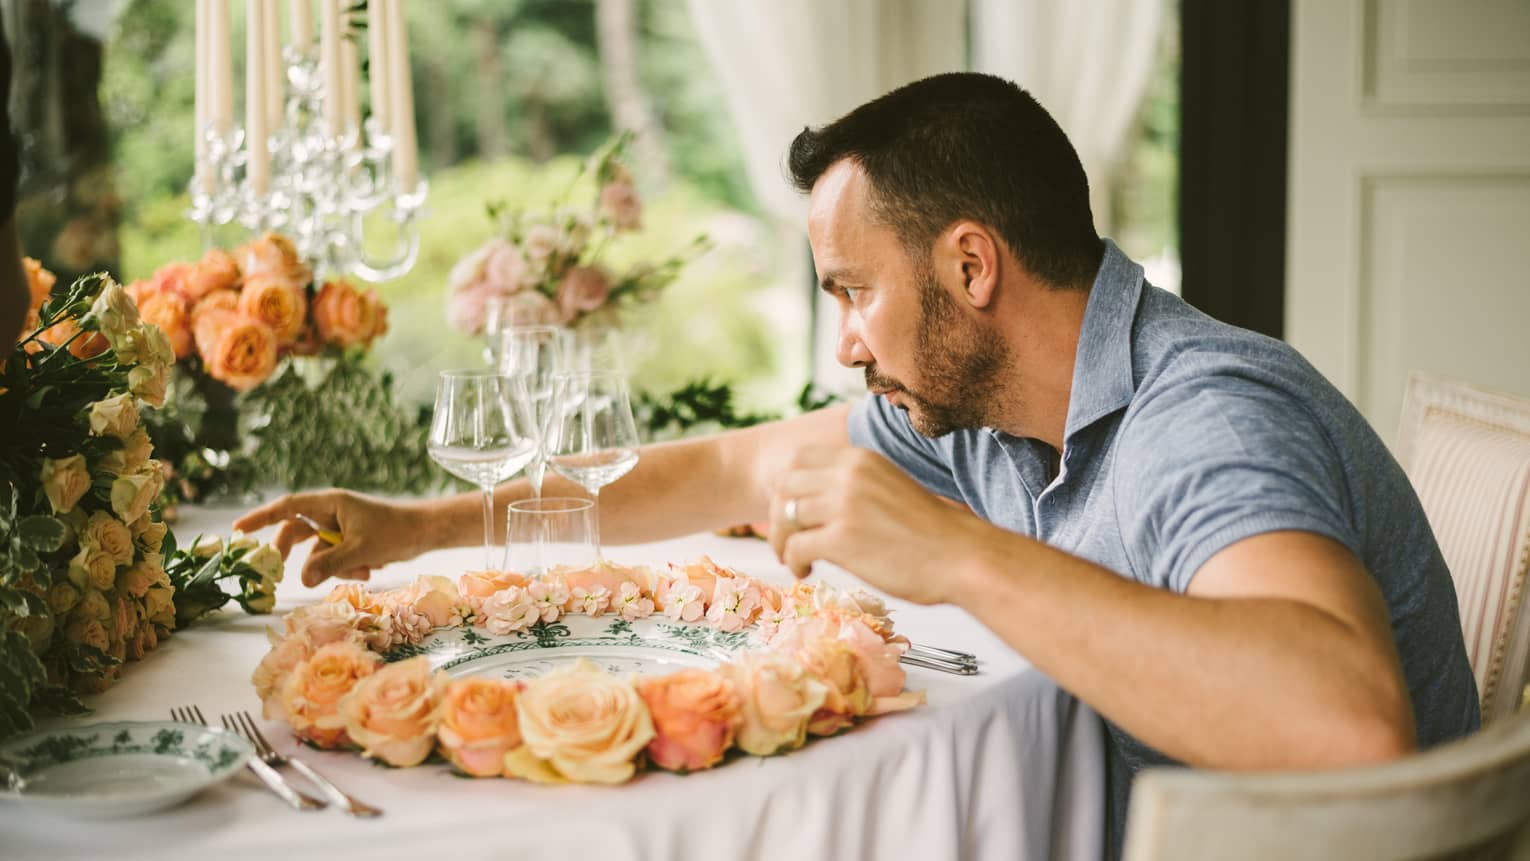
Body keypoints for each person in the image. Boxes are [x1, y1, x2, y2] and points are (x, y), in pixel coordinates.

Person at [237, 73, 1479, 856]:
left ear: (971, 268)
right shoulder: (994, 406)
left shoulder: (1198, 415)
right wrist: (421, 527)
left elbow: (1350, 728)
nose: (843, 343)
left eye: (854, 291)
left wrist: (957, 556)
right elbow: (723, 472)